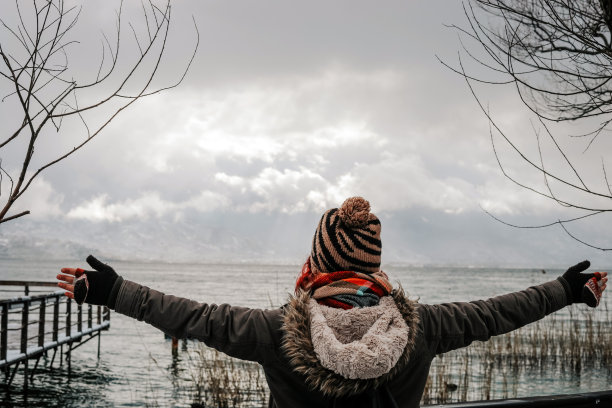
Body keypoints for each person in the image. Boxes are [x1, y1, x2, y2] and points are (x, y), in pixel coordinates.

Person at [57, 197, 608, 408]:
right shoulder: (426, 328)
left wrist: (111, 291)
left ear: (316, 262)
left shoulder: (275, 331)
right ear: (373, 266)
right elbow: (496, 313)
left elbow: (196, 319)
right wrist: (564, 290)